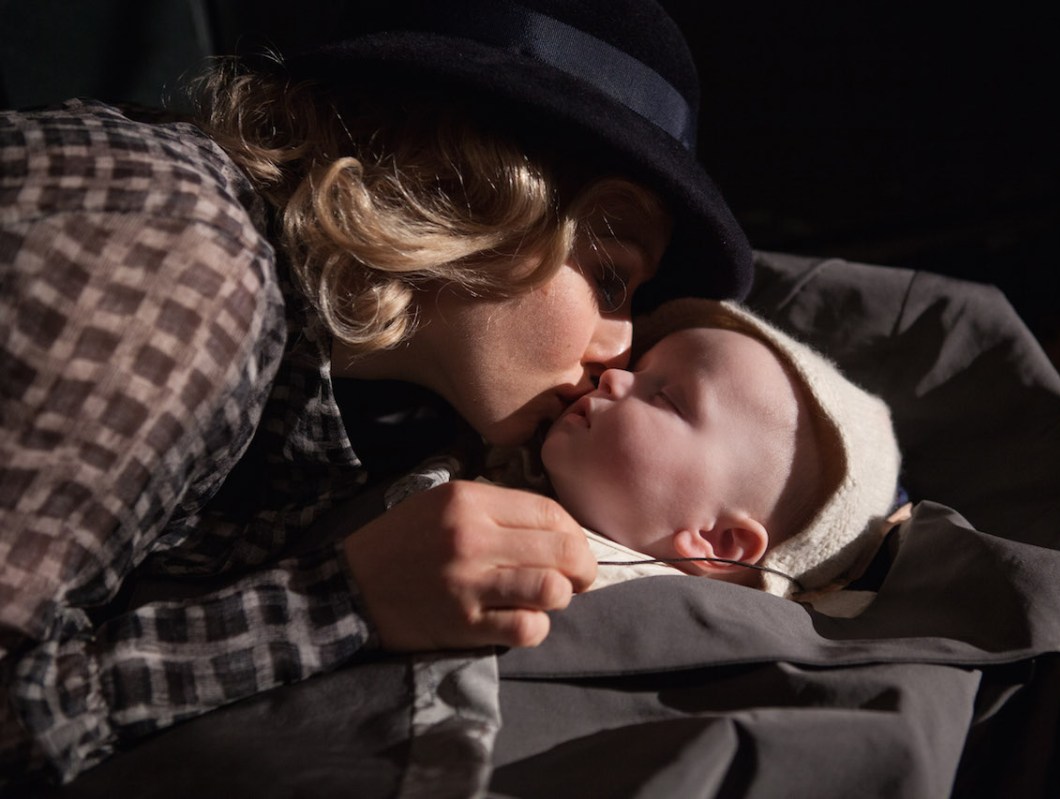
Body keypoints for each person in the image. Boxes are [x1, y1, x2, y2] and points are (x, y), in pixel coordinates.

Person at [0, 0, 752, 787]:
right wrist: (343, 600)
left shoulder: (344, 388)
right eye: (610, 278)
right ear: (473, 181)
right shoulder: (182, 263)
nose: (622, 347)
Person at [401, 298, 903, 599]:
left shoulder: (627, 604)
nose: (614, 376)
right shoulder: (495, 446)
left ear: (720, 541)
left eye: (665, 398)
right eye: (639, 368)